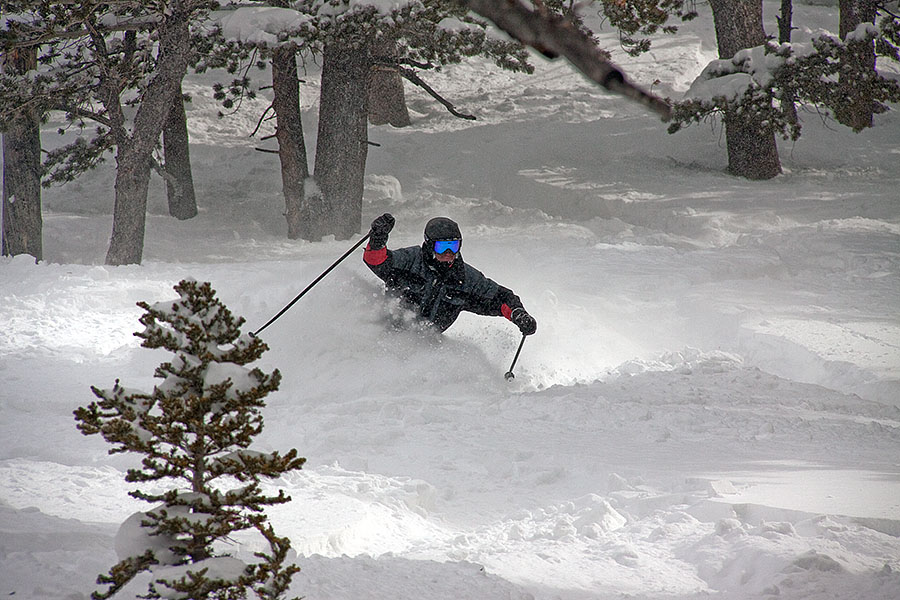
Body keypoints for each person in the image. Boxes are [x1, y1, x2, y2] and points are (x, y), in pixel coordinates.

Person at [363, 213, 537, 335]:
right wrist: (378, 239)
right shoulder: (411, 260)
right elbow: (378, 262)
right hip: (388, 335)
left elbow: (500, 298)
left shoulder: (465, 278)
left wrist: (518, 314)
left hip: (425, 344)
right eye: (441, 246)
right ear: (430, 245)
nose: (448, 253)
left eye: (453, 247)